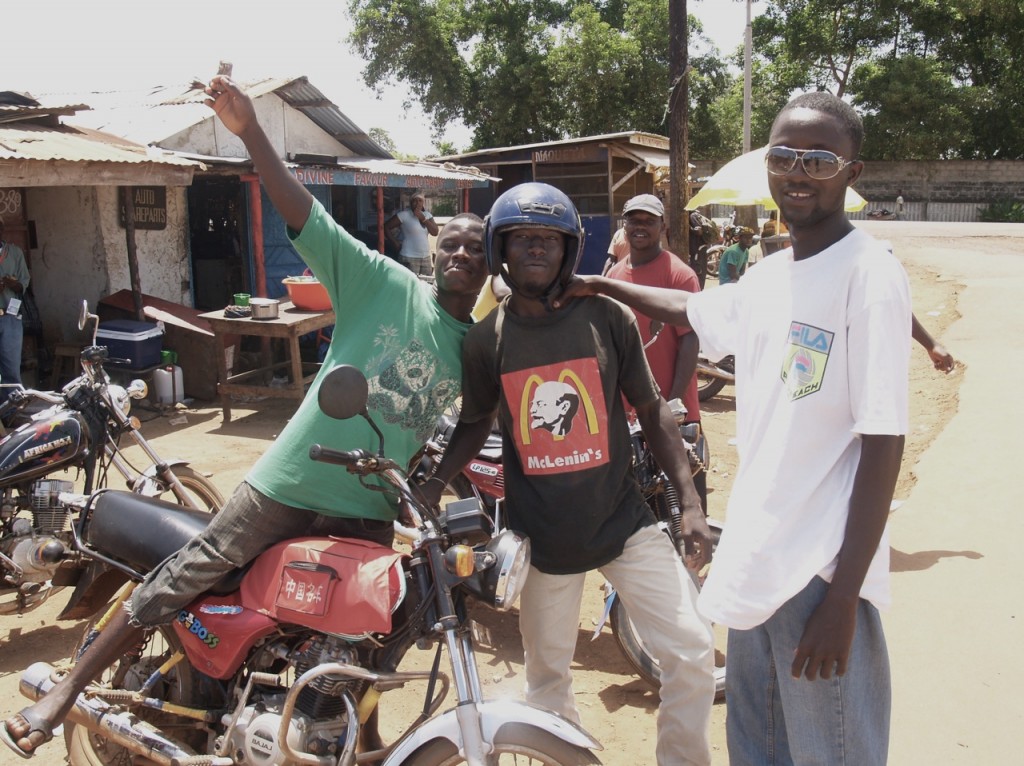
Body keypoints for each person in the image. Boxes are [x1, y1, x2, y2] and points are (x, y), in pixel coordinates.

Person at [1, 74, 489, 759]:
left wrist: (433, 487)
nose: (463, 255)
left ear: (491, 264)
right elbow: (301, 213)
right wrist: (250, 130)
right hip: (292, 484)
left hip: (371, 507)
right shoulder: (382, 281)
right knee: (195, 569)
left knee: (371, 629)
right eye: (454, 244)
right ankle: (65, 694)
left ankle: (346, 738)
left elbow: (479, 418)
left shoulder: (476, 344)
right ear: (435, 248)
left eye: (477, 248)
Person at [555, 91, 910, 764]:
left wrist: (842, 599)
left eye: (819, 158)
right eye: (784, 156)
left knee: (832, 753)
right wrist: (604, 288)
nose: (798, 172)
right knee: (759, 748)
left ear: (851, 174)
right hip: (758, 566)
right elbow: (692, 309)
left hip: (819, 570)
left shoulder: (869, 276)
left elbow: (883, 442)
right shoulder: (773, 274)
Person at [423, 182, 717, 765]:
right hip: (543, 537)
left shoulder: (608, 317)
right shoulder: (487, 340)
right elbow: (476, 421)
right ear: (501, 248)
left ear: (569, 249)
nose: (536, 249)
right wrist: (429, 486)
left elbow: (654, 411)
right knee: (547, 685)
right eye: (523, 239)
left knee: (692, 651)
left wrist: (689, 502)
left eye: (549, 240)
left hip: (623, 522)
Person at [607, 193, 706, 509]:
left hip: (673, 415)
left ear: (663, 225)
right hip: (630, 418)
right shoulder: (614, 277)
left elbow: (690, 340)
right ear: (623, 226)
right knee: (640, 512)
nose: (640, 227)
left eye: (648, 220)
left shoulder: (678, 275)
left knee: (682, 506)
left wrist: (674, 404)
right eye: (633, 220)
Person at [0, 219, 29, 404]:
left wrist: (12, 284)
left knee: (11, 368)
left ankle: (12, 410)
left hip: (10, 318)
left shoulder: (15, 253)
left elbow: (23, 283)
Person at [386, 192, 439, 276]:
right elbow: (386, 227)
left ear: (423, 203)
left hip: (425, 257)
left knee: (426, 284)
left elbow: (435, 232)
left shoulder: (427, 215)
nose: (418, 203)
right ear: (411, 203)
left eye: (420, 201)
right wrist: (395, 242)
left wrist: (424, 219)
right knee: (410, 285)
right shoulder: (404, 215)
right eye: (415, 201)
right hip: (409, 257)